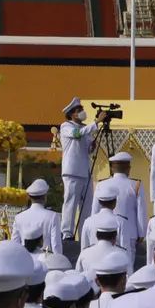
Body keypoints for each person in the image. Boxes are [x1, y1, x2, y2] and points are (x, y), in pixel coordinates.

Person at [58, 97, 101, 257]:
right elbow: (77, 134)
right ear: (72, 114)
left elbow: (87, 149)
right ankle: (67, 233)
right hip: (72, 171)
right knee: (71, 202)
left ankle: (84, 233)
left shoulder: (85, 129)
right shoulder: (66, 127)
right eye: (78, 110)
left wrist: (91, 146)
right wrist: (96, 123)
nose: (81, 112)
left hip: (85, 171)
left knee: (86, 205)